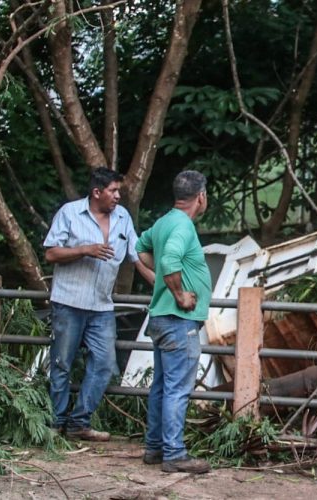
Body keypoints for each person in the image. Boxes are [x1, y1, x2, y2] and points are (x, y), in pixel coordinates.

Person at [43, 167, 155, 441]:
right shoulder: (70, 213)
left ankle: (79, 421)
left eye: (119, 191)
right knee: (61, 363)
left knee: (104, 364)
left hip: (102, 306)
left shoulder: (123, 218)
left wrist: (162, 283)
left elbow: (136, 256)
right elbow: (51, 253)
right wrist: (85, 249)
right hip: (68, 302)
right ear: (96, 192)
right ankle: (55, 423)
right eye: (113, 191)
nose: (118, 196)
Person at [136, 170, 211, 474]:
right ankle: (175, 453)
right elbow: (168, 260)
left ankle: (155, 447)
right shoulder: (182, 227)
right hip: (179, 320)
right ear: (201, 197)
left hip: (161, 319)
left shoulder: (164, 222)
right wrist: (179, 293)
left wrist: (164, 284)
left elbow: (141, 250)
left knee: (163, 387)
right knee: (178, 389)